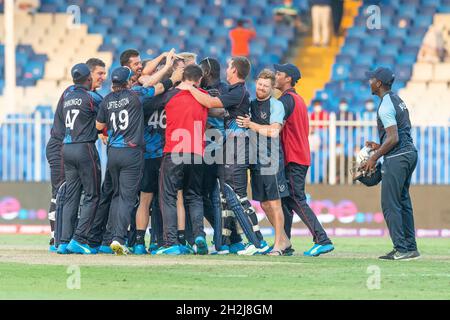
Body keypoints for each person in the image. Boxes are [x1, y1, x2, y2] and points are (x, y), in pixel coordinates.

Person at [180, 56, 270, 255]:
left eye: (229, 67)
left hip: (238, 147)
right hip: (231, 146)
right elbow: (216, 111)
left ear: (235, 70)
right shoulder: (234, 91)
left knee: (237, 195)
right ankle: (223, 243)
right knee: (224, 196)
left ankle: (258, 243)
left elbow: (211, 102)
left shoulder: (238, 91)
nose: (226, 70)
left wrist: (189, 87)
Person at [95, 66, 174, 255]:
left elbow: (99, 125)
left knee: (115, 195)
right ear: (129, 81)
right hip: (131, 152)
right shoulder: (135, 94)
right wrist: (172, 75)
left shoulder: (106, 100)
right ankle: (118, 239)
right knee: (127, 198)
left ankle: (111, 236)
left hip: (113, 152)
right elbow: (159, 89)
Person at [155, 64, 221, 255]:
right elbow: (217, 109)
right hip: (198, 153)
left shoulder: (170, 94)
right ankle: (199, 236)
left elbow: (148, 102)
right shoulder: (202, 96)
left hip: (174, 151)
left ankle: (171, 242)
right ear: (199, 79)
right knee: (194, 196)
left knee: (168, 196)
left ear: (182, 77)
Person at [274, 63, 334, 256]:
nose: (275, 76)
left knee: (294, 198)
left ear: (288, 79)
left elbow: (274, 128)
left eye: (279, 74)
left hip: (292, 157)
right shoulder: (298, 99)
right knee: (286, 201)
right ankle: (285, 243)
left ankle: (322, 239)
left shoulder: (285, 101)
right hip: (300, 156)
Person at [362, 67, 419, 260]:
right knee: (403, 201)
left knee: (390, 204)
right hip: (408, 153)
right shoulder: (396, 99)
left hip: (398, 156)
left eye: (371, 79)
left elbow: (393, 138)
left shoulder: (385, 104)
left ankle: (402, 249)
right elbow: (398, 134)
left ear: (378, 83)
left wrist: (373, 156)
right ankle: (409, 247)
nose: (369, 82)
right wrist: (379, 145)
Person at [237, 69, 291, 255]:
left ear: (272, 88)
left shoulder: (276, 106)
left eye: (265, 85)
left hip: (271, 159)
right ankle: (284, 240)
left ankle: (278, 245)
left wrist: (250, 124)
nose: (261, 88)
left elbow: (274, 131)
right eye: (259, 84)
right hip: (255, 160)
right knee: (265, 204)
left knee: (275, 203)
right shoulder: (250, 105)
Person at [134, 58, 184, 255]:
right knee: (173, 198)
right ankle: (174, 241)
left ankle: (139, 242)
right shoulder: (172, 96)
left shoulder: (142, 98)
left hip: (148, 154)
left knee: (145, 200)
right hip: (167, 153)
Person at [198, 57, 244, 254]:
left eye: (200, 72)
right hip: (223, 146)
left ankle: (223, 240)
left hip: (211, 147)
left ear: (206, 73)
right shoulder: (227, 89)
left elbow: (217, 112)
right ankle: (232, 238)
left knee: (208, 195)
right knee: (221, 195)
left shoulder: (207, 92)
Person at [56, 63, 103, 255]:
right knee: (92, 194)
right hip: (84, 147)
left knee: (71, 196)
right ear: (89, 79)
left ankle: (63, 241)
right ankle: (79, 239)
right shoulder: (91, 97)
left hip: (67, 148)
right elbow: (106, 113)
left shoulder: (67, 97)